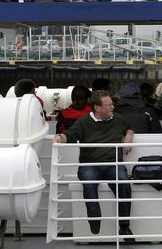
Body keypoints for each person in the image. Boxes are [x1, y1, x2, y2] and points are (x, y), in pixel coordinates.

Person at [52, 91, 135, 241]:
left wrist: (128, 137)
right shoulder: (83, 122)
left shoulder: (118, 119)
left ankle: (124, 226)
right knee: (89, 183)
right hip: (90, 164)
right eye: (109, 104)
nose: (113, 107)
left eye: (112, 104)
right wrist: (59, 137)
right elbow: (71, 134)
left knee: (123, 183)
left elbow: (129, 127)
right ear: (97, 107)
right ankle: (94, 218)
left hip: (113, 163)